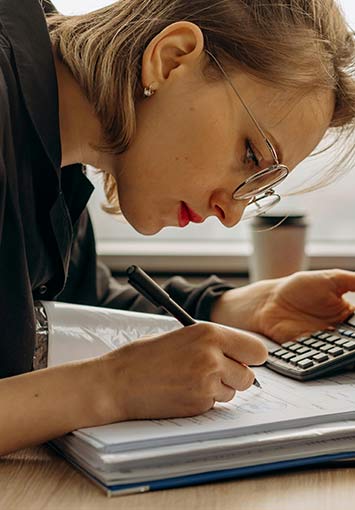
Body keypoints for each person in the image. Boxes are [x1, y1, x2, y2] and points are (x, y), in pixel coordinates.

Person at [1, 0, 355, 455]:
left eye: (258, 186)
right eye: (251, 156)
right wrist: (110, 388)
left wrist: (228, 306)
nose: (230, 214)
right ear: (171, 60)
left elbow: (68, 302)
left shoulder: (56, 157)